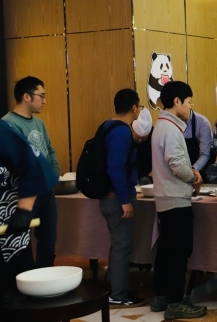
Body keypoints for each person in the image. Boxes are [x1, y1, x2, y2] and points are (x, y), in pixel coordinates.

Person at [150, 81, 207, 320]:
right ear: (177, 101)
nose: (190, 106)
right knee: (178, 252)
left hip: (167, 198)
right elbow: (176, 164)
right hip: (175, 199)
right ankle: (175, 302)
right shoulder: (171, 129)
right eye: (189, 101)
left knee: (166, 250)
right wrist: (194, 176)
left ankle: (162, 296)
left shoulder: (162, 125)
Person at [2, 76, 60, 269]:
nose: (44, 101)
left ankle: (45, 280)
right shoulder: (8, 125)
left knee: (48, 241)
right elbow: (22, 164)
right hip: (24, 194)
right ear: (26, 96)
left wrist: (52, 174)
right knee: (21, 243)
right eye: (41, 96)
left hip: (46, 192)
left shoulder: (39, 123)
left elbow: (49, 150)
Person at [0, 120, 58, 299]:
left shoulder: (3, 132)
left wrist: (23, 210)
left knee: (14, 290)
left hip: (8, 230)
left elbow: (35, 165)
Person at [98, 88, 145, 308]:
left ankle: (113, 288)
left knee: (117, 245)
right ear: (134, 108)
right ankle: (117, 294)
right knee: (122, 247)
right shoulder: (122, 132)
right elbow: (115, 168)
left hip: (109, 196)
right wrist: (125, 200)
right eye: (139, 107)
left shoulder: (106, 125)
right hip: (117, 198)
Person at [183, 107, 213, 173]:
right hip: (181, 168)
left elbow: (205, 154)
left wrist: (193, 170)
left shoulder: (202, 122)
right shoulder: (170, 124)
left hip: (202, 167)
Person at [132, 107, 153, 184]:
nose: (140, 140)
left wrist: (150, 177)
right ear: (131, 129)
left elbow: (161, 163)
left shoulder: (155, 136)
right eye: (137, 137)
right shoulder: (126, 134)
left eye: (144, 138)